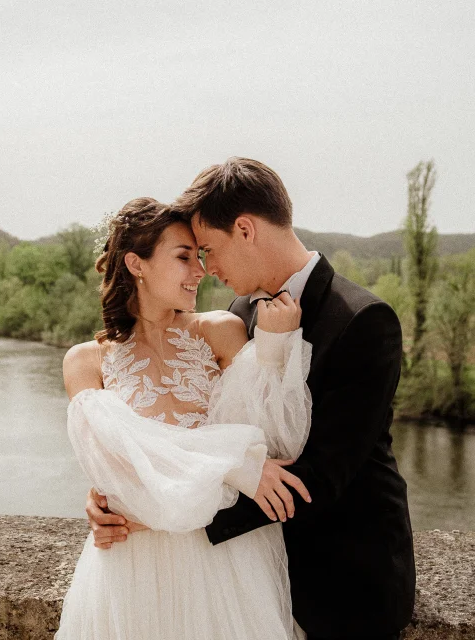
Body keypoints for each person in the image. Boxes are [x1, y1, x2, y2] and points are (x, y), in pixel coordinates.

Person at [89, 158, 416, 639]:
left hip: (343, 582)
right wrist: (122, 491)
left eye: (208, 249)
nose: (206, 269)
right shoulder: (239, 311)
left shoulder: (363, 319)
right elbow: (208, 427)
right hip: (248, 574)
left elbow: (319, 478)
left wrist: (161, 514)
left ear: (245, 229)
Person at [57, 197, 314, 639]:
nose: (200, 270)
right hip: (132, 568)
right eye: (183, 257)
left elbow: (277, 444)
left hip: (226, 563)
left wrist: (274, 349)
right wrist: (235, 467)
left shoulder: (221, 331)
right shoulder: (85, 363)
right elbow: (119, 473)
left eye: (200, 256)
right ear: (137, 264)